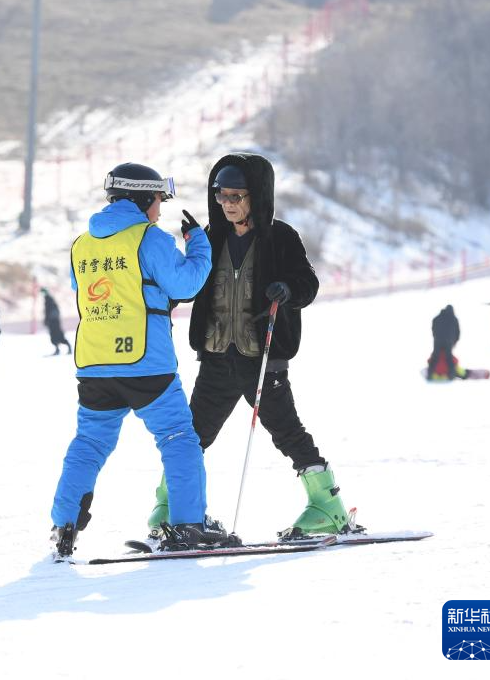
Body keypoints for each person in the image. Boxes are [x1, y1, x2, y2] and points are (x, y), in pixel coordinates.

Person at [145, 154, 353, 542]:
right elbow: (189, 285)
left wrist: (287, 289)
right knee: (190, 437)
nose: (227, 204)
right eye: (221, 195)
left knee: (287, 433)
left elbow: (307, 284)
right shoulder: (213, 236)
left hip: (262, 361)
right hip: (216, 358)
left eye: (236, 196)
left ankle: (328, 507)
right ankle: (169, 507)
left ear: (256, 196)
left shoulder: (281, 238)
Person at [50, 162, 227, 561]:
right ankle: (189, 524)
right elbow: (186, 283)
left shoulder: (82, 245)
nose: (160, 210)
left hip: (94, 364)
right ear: (144, 199)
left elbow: (95, 290)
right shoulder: (149, 238)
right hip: (146, 363)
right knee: (179, 438)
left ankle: (64, 525)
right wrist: (199, 243)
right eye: (159, 201)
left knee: (89, 444)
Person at [427, 305, 461, 380]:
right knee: (448, 357)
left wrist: (436, 336)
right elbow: (457, 332)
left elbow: (433, 327)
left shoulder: (437, 317)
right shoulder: (454, 318)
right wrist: (455, 341)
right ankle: (451, 375)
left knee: (435, 357)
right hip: (449, 341)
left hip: (438, 340)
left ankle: (429, 374)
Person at [40, 288, 72, 355]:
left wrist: (51, 319)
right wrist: (47, 320)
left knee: (59, 335)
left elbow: (53, 311)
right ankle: (57, 349)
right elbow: (47, 312)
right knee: (53, 336)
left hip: (54, 322)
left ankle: (69, 347)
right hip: (52, 322)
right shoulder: (47, 300)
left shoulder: (49, 299)